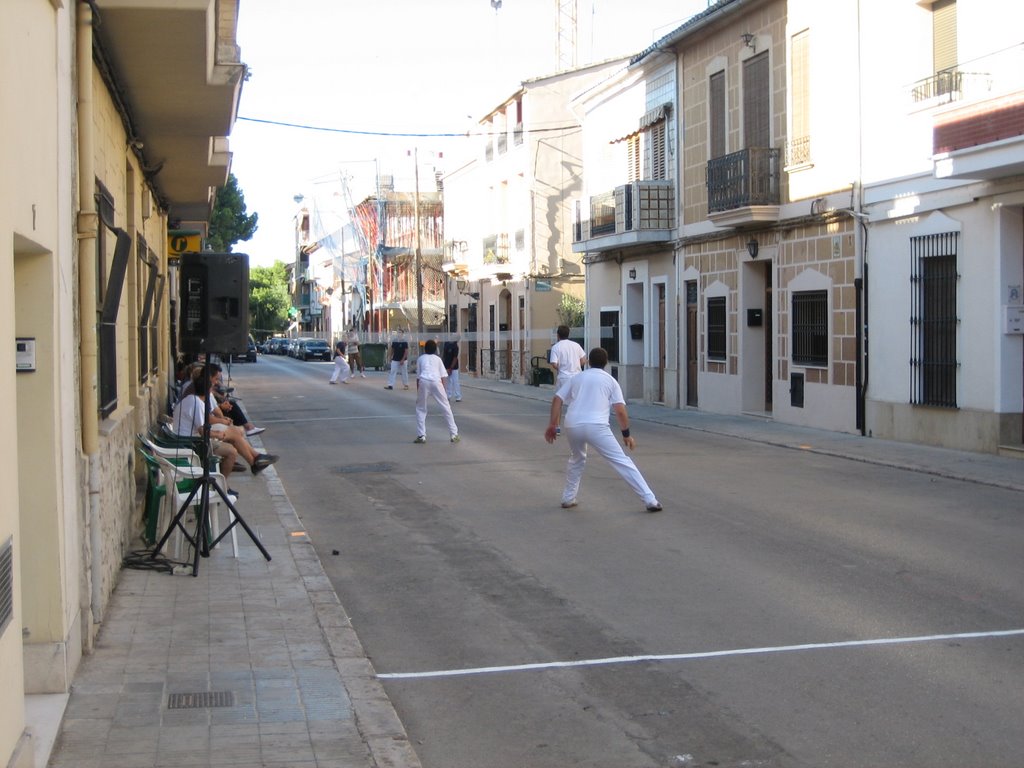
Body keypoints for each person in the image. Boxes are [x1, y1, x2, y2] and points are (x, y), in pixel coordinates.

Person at [544, 347, 661, 513]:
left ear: (589, 362)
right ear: (606, 363)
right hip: (596, 426)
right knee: (621, 461)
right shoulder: (610, 381)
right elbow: (620, 410)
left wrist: (553, 425)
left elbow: (557, 399)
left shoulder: (577, 378)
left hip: (573, 425)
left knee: (577, 459)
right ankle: (650, 499)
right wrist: (626, 435)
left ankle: (568, 498)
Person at [172, 373, 279, 476]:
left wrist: (219, 427)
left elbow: (204, 423)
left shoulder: (191, 399)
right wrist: (216, 434)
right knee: (232, 451)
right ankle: (222, 485)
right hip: (191, 442)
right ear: (209, 390)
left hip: (188, 437)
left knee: (235, 432)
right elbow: (202, 430)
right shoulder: (197, 403)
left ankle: (255, 460)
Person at [414, 339, 459, 443]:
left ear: (425, 349)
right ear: (435, 350)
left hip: (424, 382)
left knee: (420, 409)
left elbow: (418, 378)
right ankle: (454, 434)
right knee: (446, 407)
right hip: (436, 382)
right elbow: (443, 376)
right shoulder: (438, 359)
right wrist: (443, 389)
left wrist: (419, 393)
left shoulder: (420, 359)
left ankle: (421, 436)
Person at [549, 324, 587, 388]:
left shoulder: (555, 347)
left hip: (563, 378)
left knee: (562, 397)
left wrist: (563, 367)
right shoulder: (576, 345)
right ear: (568, 334)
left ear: (557, 335)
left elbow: (554, 364)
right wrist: (575, 365)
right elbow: (583, 361)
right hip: (577, 377)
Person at [442, 334, 462, 402]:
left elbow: (453, 357)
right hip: (450, 366)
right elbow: (447, 356)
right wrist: (448, 367)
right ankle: (452, 396)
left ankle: (454, 396)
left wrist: (450, 367)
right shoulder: (450, 345)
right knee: (451, 382)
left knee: (452, 381)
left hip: (451, 366)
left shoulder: (452, 345)